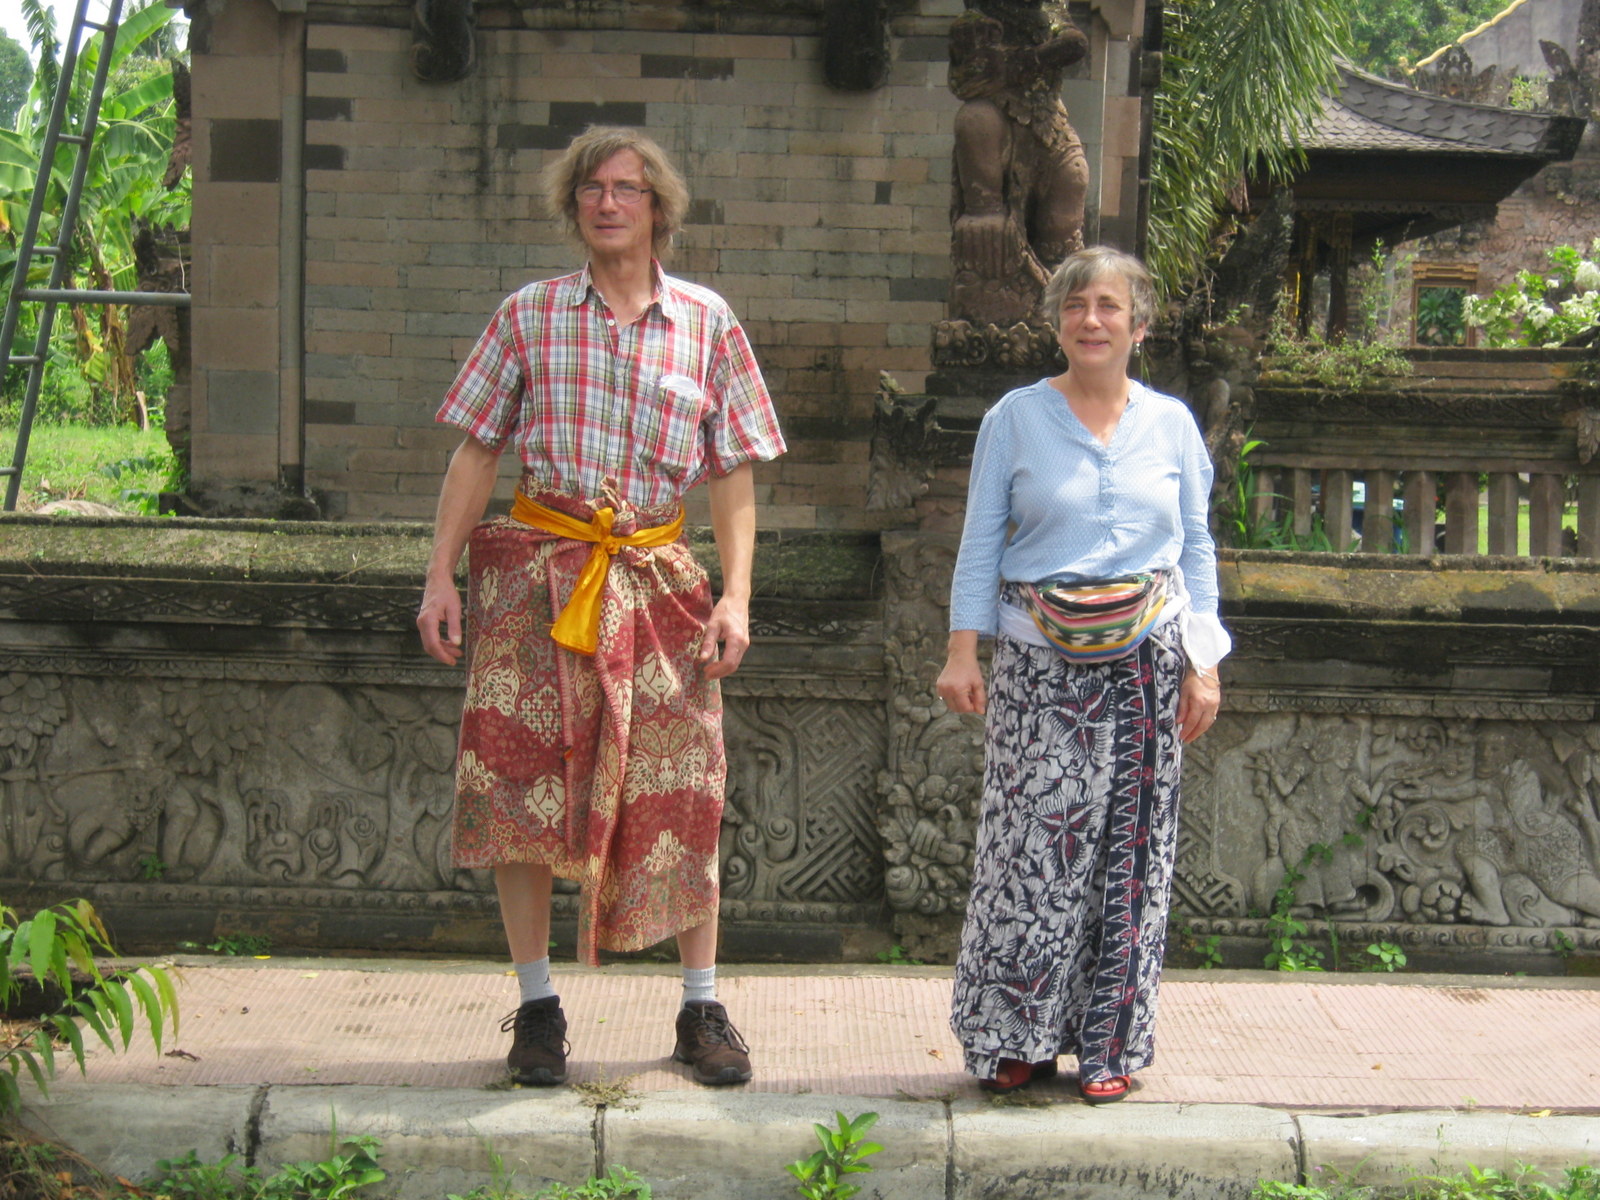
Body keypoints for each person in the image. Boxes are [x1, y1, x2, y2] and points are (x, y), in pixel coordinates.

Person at [416, 126, 786, 1089]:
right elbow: (477, 450)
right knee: (522, 785)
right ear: (571, 204)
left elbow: (733, 472)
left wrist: (737, 596)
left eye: (626, 188)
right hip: (539, 582)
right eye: (591, 188)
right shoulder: (530, 315)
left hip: (660, 585)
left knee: (685, 784)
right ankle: (538, 1008)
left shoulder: (707, 323)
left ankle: (700, 1007)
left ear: (658, 206)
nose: (607, 202)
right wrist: (439, 576)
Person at [935, 246, 1227, 1103]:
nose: (1090, 320)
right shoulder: (1015, 418)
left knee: (1131, 852)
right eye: (1074, 306)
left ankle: (1110, 1045)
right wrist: (962, 649)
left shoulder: (1172, 424)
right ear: (1057, 323)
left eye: (1107, 306)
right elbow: (980, 541)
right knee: (1031, 847)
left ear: (1140, 325)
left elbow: (1197, 549)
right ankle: (1013, 1039)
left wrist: (1204, 664)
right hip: (1037, 659)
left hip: (1149, 660)